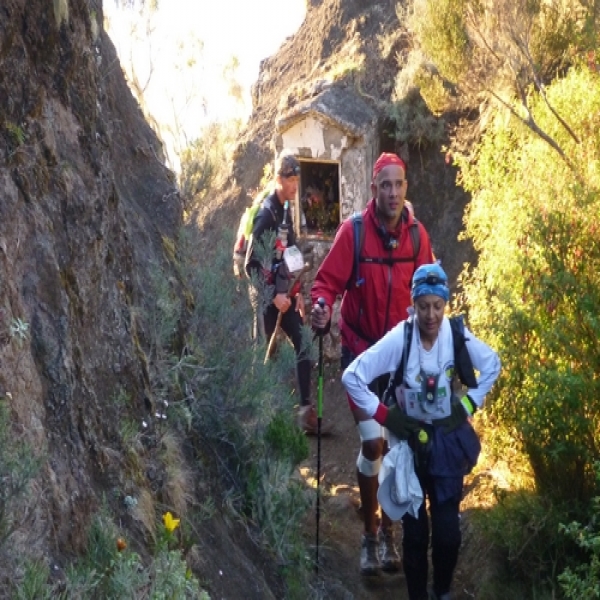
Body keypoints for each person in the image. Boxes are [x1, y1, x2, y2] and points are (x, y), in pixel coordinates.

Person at [341, 263, 501, 600]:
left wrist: (467, 405)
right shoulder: (402, 337)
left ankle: (441, 591)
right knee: (414, 536)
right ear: (413, 305)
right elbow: (352, 376)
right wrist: (387, 416)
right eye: (423, 305)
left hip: (446, 445)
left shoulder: (456, 335)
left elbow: (492, 365)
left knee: (447, 534)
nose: (431, 315)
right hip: (407, 448)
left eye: (438, 306)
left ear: (446, 305)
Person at [311, 152, 434, 575]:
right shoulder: (354, 233)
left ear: (406, 188)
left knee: (397, 448)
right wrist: (322, 306)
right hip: (362, 358)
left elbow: (430, 294)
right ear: (374, 189)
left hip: (401, 362)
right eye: (386, 185)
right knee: (372, 444)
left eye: (399, 185)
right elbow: (325, 283)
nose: (394, 192)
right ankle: (368, 533)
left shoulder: (418, 239)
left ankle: (389, 535)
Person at [245, 151, 326, 434]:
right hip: (266, 297)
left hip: (284, 292)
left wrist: (297, 292)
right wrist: (272, 296)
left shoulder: (285, 211)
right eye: (290, 179)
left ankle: (305, 414)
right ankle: (262, 421)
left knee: (303, 343)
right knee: (267, 356)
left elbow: (290, 252)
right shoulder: (266, 216)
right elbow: (250, 264)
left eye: (296, 179)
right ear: (278, 180)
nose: (295, 185)